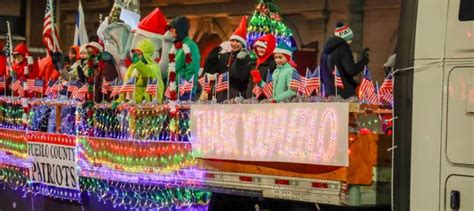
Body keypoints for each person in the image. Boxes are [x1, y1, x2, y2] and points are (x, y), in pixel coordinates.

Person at [203, 16, 251, 102]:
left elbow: (240, 76)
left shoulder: (246, 58)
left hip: (237, 95)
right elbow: (211, 71)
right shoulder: (225, 56)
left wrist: (240, 60)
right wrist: (212, 57)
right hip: (222, 94)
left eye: (237, 41)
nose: (234, 44)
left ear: (243, 44)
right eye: (232, 41)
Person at [320, 22, 370, 98]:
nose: (351, 42)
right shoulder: (343, 49)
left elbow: (321, 75)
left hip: (328, 92)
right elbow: (352, 70)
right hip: (344, 94)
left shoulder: (324, 52)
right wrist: (364, 61)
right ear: (345, 38)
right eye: (350, 39)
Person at [118, 39, 165, 103]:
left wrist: (138, 64)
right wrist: (120, 100)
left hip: (146, 106)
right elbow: (126, 83)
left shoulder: (153, 66)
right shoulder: (132, 67)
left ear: (146, 54)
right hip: (132, 104)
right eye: (135, 53)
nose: (136, 56)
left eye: (139, 54)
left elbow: (148, 73)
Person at [166, 16, 200, 101]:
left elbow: (192, 69)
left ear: (179, 29)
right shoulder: (176, 46)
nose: (171, 31)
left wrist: (185, 91)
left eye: (173, 28)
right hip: (173, 92)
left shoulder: (190, 45)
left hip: (184, 93)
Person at [245, 33, 277, 99]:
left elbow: (271, 85)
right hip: (250, 98)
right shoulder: (252, 63)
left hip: (264, 100)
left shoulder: (273, 64)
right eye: (258, 47)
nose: (259, 49)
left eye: (262, 47)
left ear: (269, 48)